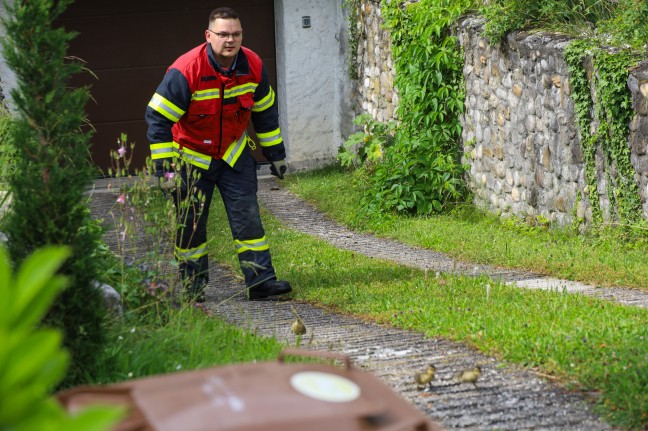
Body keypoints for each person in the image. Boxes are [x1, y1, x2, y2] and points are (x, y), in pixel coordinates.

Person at [145, 7, 292, 302]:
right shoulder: (186, 70)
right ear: (208, 35)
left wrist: (276, 154)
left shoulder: (253, 66)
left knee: (248, 220)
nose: (230, 40)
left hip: (233, 156)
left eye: (236, 34)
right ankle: (193, 287)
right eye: (223, 34)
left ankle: (261, 282)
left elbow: (265, 113)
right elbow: (157, 118)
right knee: (191, 226)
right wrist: (164, 171)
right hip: (190, 158)